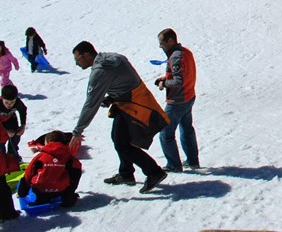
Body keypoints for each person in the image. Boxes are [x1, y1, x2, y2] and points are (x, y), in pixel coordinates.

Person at [69, 41, 169, 193]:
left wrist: (77, 132)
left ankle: (154, 172)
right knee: (119, 139)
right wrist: (113, 96)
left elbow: (91, 104)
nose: (76, 63)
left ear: (87, 55)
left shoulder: (100, 72)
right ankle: (126, 173)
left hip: (132, 106)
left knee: (122, 144)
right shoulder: (114, 58)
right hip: (132, 101)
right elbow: (126, 79)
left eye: (78, 59)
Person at [155, 29, 200, 172]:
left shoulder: (175, 57)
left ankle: (174, 165)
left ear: (170, 41)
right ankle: (193, 161)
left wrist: (164, 84)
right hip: (189, 96)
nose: (160, 46)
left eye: (162, 43)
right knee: (187, 129)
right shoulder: (185, 52)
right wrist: (166, 79)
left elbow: (178, 80)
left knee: (165, 133)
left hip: (178, 101)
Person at [17, 130, 82, 208]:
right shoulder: (70, 158)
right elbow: (76, 174)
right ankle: (66, 197)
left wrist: (22, 192)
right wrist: (70, 194)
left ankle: (40, 200)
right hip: (61, 191)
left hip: (40, 192)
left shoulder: (40, 157)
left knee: (27, 183)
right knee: (74, 172)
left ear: (47, 142)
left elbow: (28, 174)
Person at [0, 85, 26, 162]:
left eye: (12, 102)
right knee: (1, 140)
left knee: (16, 133)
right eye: (6, 102)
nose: (9, 105)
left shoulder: (18, 102)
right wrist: (5, 132)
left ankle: (12, 152)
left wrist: (23, 125)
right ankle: (2, 155)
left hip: (10, 119)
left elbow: (23, 110)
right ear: (2, 98)